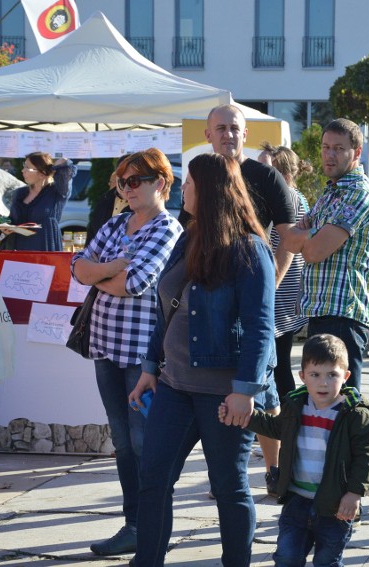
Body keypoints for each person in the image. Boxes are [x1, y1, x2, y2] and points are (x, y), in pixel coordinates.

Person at [128, 153, 276, 567]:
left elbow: (260, 326)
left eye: (189, 182)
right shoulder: (187, 238)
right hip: (174, 386)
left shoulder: (250, 249)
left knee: (229, 487)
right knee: (154, 479)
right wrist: (149, 369)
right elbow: (167, 310)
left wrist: (245, 391)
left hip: (224, 395)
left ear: (209, 190)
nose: (183, 189)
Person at [70, 149, 183, 557]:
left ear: (161, 184)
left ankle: (150, 529)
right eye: (122, 182)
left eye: (135, 181)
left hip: (141, 354)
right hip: (104, 345)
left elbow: (133, 283)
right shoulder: (116, 223)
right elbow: (77, 267)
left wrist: (102, 272)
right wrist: (110, 267)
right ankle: (133, 524)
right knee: (121, 440)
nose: (127, 189)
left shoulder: (167, 229)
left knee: (143, 443)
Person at [218, 334, 369, 567]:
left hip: (334, 506)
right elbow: (273, 427)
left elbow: (365, 457)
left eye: (332, 375)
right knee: (287, 557)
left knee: (326, 561)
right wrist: (246, 417)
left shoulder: (355, 415)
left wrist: (354, 493)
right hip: (296, 500)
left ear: (346, 377)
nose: (323, 382)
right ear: (303, 377)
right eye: (315, 374)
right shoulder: (295, 407)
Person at [284, 118, 369, 394]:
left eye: (338, 148)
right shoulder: (330, 194)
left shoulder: (358, 194)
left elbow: (314, 252)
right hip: (322, 310)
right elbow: (291, 241)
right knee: (322, 406)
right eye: (326, 147)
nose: (329, 155)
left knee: (343, 408)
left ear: (357, 152)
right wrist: (314, 234)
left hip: (344, 315)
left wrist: (310, 236)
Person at [257, 142, 312, 496]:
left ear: (282, 172)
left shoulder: (288, 200)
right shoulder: (296, 198)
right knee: (280, 373)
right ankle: (290, 447)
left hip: (277, 299)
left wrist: (266, 289)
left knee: (276, 375)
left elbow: (288, 251)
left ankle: (286, 455)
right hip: (284, 300)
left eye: (266, 170)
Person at [202, 104, 297, 286]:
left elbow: (289, 237)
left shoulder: (266, 176)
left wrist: (270, 283)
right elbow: (187, 230)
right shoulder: (199, 176)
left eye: (235, 129)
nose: (228, 135)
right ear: (208, 135)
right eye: (221, 128)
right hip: (207, 285)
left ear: (244, 134)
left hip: (249, 284)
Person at [5, 151, 76, 251]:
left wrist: (54, 167)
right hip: (18, 250)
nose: (22, 171)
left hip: (45, 250)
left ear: (42, 174)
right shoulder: (20, 193)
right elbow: (12, 218)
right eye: (23, 166)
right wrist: (6, 226)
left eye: (27, 168)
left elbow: (65, 164)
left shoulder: (57, 193)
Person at [85, 153, 132, 243]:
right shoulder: (105, 199)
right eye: (121, 177)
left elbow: (132, 245)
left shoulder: (141, 205)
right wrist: (88, 254)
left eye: (131, 179)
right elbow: (92, 231)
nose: (125, 184)